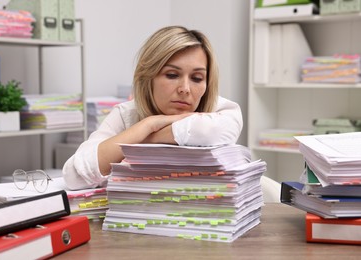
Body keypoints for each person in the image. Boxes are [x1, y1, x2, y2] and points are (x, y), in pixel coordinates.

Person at [63, 25, 243, 190]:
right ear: (148, 77)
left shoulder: (219, 109)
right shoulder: (127, 114)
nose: (185, 89)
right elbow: (74, 175)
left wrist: (145, 138)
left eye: (197, 78)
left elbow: (207, 131)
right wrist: (147, 124)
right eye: (172, 75)